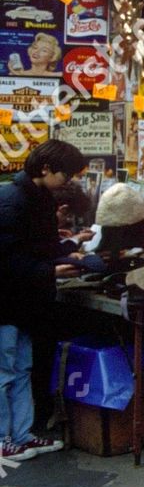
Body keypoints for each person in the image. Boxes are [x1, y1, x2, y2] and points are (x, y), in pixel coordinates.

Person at [0, 140, 89, 463]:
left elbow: (38, 247)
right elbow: (8, 260)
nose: (70, 181)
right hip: (7, 304)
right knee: (5, 372)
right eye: (66, 173)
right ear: (46, 168)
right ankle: (3, 439)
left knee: (21, 368)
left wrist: (66, 251)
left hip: (24, 303)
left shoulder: (36, 198)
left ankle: (20, 436)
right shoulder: (12, 202)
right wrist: (51, 266)